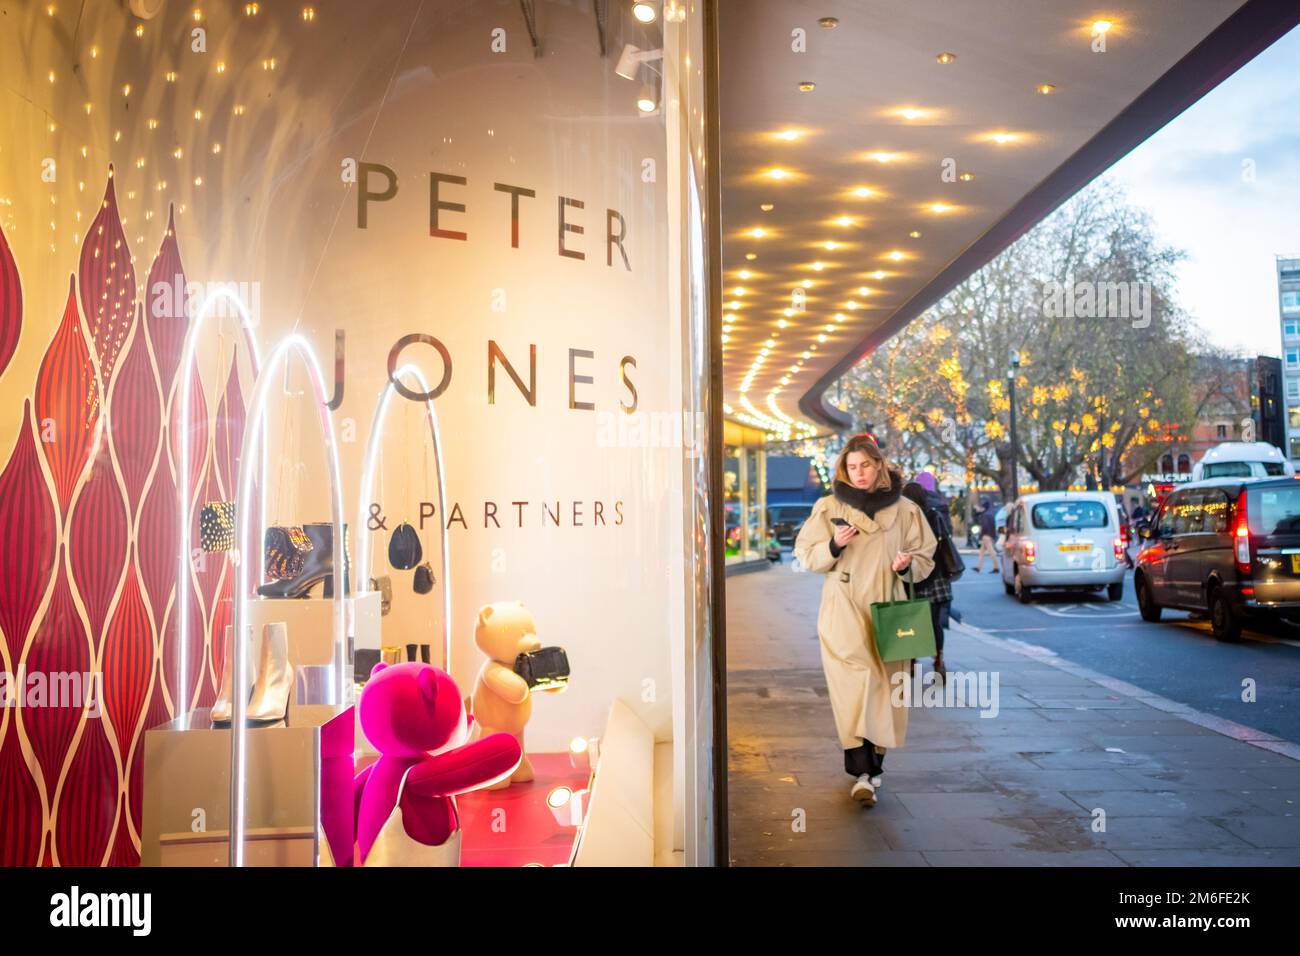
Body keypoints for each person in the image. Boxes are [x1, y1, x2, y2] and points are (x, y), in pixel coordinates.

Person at [793, 434, 937, 808]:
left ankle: (872, 772)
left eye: (866, 466)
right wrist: (834, 545)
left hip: (890, 607)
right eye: (852, 467)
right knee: (857, 681)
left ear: (879, 466)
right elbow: (806, 555)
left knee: (887, 686)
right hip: (844, 606)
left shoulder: (905, 510)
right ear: (844, 469)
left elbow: (926, 555)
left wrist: (909, 563)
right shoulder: (828, 507)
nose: (859, 474)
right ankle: (862, 771)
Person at [902, 475, 958, 683]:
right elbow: (946, 539)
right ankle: (938, 660)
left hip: (913, 578)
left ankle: (912, 661)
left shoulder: (905, 519)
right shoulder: (936, 513)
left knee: (912, 621)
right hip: (937, 578)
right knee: (935, 622)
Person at [973, 498, 999, 573]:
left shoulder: (985, 515)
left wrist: (981, 536)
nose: (977, 509)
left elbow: (985, 526)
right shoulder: (990, 514)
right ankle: (978, 567)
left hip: (986, 536)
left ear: (983, 508)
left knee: (991, 552)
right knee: (981, 552)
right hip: (989, 535)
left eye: (979, 507)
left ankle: (996, 567)